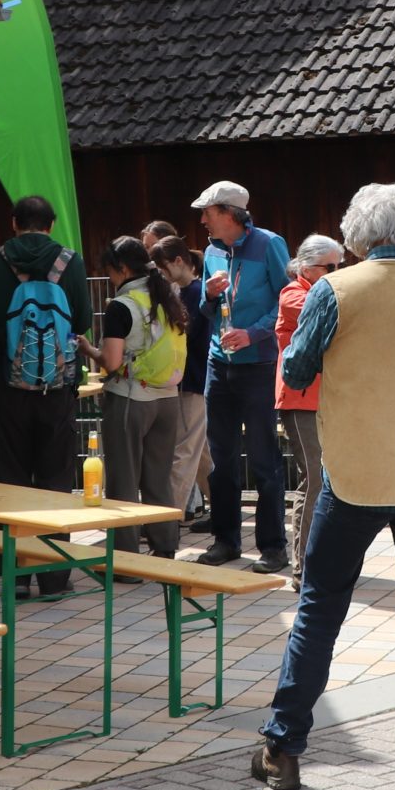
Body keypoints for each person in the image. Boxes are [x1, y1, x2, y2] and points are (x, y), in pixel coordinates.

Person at [254, 182, 395, 790]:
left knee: (320, 609)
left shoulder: (334, 290)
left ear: (355, 235)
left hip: (355, 474)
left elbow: (295, 369)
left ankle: (283, 748)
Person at [0, 194, 93, 597]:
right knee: (56, 480)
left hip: (9, 388)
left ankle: (16, 579)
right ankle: (55, 578)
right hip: (56, 389)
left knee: (11, 480)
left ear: (14, 223)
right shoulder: (70, 262)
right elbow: (83, 321)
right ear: (51, 224)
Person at [191, 181, 292, 573]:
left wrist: (253, 333)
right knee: (220, 459)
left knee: (265, 460)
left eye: (208, 213)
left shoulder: (269, 244)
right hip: (220, 365)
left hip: (259, 366)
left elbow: (287, 303)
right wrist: (211, 296)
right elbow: (204, 307)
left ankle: (273, 547)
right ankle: (226, 541)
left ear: (231, 214)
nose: (202, 220)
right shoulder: (213, 251)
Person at [97, 237, 188, 559]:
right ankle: (164, 549)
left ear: (122, 268)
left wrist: (86, 350)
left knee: (124, 480)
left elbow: (111, 361)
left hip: (132, 398)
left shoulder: (122, 305)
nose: (110, 279)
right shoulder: (167, 296)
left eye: (110, 272)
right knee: (157, 477)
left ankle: (125, 558)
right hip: (168, 400)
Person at [275, 234, 345, 569]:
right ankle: (303, 566)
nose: (336, 272)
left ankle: (318, 560)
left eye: (339, 266)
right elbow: (334, 317)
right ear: (305, 266)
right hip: (302, 400)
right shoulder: (294, 294)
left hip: (325, 399)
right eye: (329, 267)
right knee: (314, 480)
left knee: (326, 479)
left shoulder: (322, 290)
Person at [151, 235, 213, 528]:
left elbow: (192, 339)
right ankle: (225, 511)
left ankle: (164, 521)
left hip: (193, 382)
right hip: (186, 381)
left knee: (184, 453)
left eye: (163, 268)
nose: (161, 275)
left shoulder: (199, 293)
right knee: (199, 455)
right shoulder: (183, 292)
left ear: (178, 262)